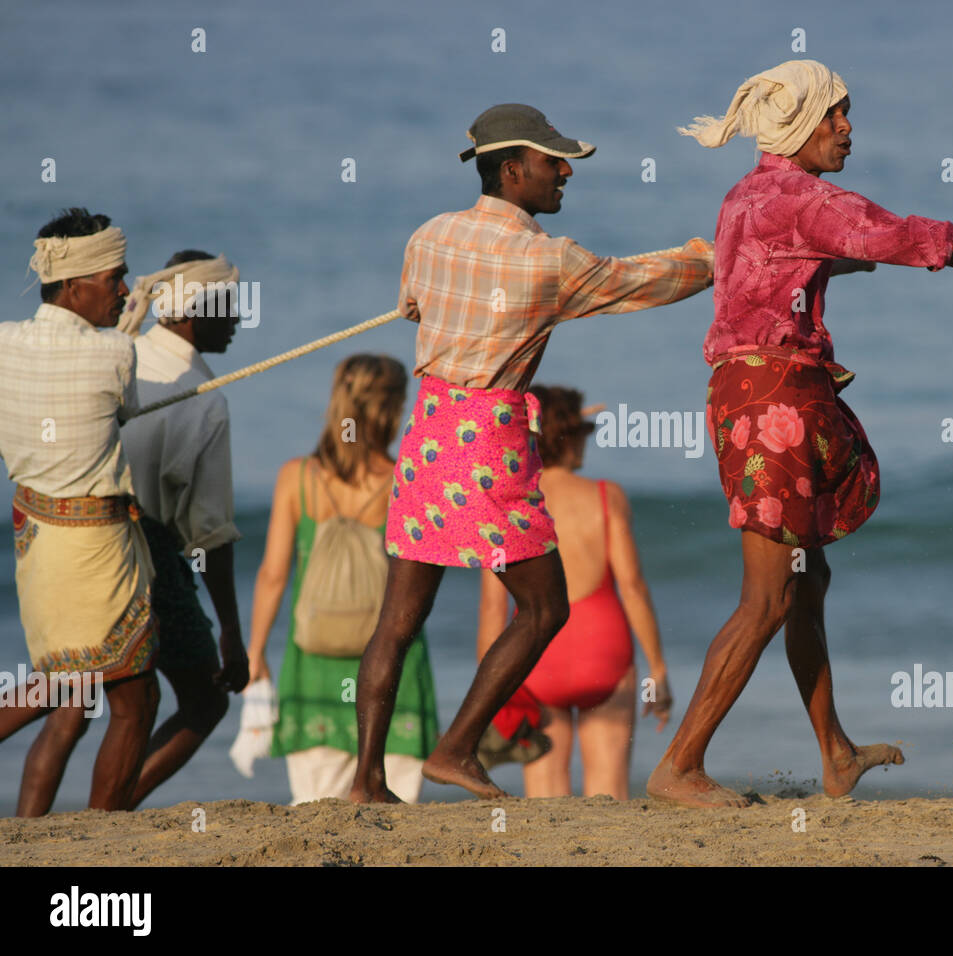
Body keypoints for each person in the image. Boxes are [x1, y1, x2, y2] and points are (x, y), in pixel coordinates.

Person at [648, 60, 953, 808]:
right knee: (766, 599)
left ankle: (835, 753)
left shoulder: (746, 196)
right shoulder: (797, 196)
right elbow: (916, 239)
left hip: (754, 395)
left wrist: (852, 256)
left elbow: (808, 258)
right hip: (773, 403)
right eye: (834, 116)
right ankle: (679, 765)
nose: (847, 127)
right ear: (799, 124)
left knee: (806, 580)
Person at [349, 103, 714, 803]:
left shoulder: (428, 235)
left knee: (397, 619)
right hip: (486, 437)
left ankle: (367, 780)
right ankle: (456, 749)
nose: (566, 172)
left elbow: (413, 306)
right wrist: (718, 258)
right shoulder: (550, 260)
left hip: (426, 434)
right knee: (546, 609)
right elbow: (640, 281)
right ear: (513, 171)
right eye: (553, 162)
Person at [0, 208, 160, 815]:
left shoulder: (3, 343)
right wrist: (128, 337)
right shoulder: (115, 353)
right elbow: (122, 409)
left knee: (70, 687)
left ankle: (43, 830)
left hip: (35, 538)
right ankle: (104, 830)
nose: (124, 288)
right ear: (74, 286)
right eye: (114, 278)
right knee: (129, 696)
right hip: (95, 548)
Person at [247, 355, 438, 804]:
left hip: (314, 666)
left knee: (316, 810)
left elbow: (274, 574)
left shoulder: (297, 478)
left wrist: (255, 653)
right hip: (395, 667)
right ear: (392, 411)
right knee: (397, 811)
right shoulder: (407, 481)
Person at [478, 386, 672, 799]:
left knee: (544, 797)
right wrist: (658, 670)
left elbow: (492, 608)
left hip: (535, 655)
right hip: (603, 653)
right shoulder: (605, 496)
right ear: (568, 437)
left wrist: (492, 688)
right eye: (583, 432)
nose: (587, 441)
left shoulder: (509, 503)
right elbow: (633, 587)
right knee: (609, 791)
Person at [117, 249, 250, 807]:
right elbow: (211, 534)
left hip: (83, 539)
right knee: (203, 699)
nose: (239, 321)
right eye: (230, 310)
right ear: (197, 313)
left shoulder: (120, 356)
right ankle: (114, 811)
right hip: (149, 552)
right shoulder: (204, 400)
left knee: (68, 686)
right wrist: (231, 634)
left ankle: (66, 819)